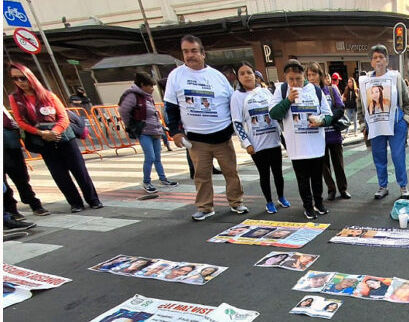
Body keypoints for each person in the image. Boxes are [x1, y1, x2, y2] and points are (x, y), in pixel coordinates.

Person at [164, 35, 247, 221]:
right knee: (201, 175)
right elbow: (170, 107)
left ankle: (236, 201)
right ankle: (205, 207)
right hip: (196, 138)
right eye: (185, 51)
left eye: (193, 51)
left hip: (221, 135)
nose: (189, 55)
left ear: (203, 53)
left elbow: (231, 103)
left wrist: (234, 129)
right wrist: (175, 131)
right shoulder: (176, 76)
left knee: (230, 172)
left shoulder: (217, 77)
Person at [9, 63, 103, 213]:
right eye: (15, 79)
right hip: (43, 140)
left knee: (80, 171)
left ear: (31, 78)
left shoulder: (48, 95)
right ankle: (75, 203)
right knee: (59, 175)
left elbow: (63, 117)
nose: (20, 82)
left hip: (64, 137)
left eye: (23, 78)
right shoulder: (15, 99)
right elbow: (20, 121)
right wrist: (42, 134)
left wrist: (55, 131)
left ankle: (93, 199)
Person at [269, 59, 333, 220]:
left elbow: (328, 114)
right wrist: (288, 100)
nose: (295, 82)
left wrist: (321, 121)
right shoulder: (282, 90)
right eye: (291, 79)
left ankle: (319, 203)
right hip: (297, 145)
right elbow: (274, 114)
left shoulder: (315, 90)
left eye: (298, 78)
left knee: (317, 178)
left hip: (316, 143)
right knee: (303, 179)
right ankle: (308, 206)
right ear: (285, 78)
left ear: (303, 75)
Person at [230, 62, 289, 214]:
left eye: (249, 72)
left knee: (278, 173)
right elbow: (237, 122)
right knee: (264, 174)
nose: (246, 76)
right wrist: (246, 143)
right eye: (242, 73)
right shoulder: (237, 97)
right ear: (238, 77)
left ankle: (281, 197)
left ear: (255, 75)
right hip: (257, 144)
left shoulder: (266, 92)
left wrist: (283, 137)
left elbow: (276, 114)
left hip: (273, 141)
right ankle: (269, 201)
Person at [358, 45, 409, 200]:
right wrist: (363, 125)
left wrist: (406, 120)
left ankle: (403, 186)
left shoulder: (395, 77)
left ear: (387, 60)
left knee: (398, 155)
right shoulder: (365, 81)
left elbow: (407, 100)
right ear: (371, 62)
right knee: (379, 156)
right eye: (375, 57)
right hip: (375, 124)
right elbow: (360, 104)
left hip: (396, 123)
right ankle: (383, 186)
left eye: (381, 57)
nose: (378, 60)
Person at [119, 72, 178, 193]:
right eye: (150, 86)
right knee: (150, 157)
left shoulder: (146, 96)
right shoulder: (133, 96)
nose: (152, 89)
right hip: (144, 131)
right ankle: (146, 181)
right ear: (142, 85)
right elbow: (123, 111)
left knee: (157, 157)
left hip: (155, 129)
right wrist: (132, 125)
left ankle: (163, 178)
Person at [307, 62, 350, 201]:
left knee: (339, 164)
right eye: (309, 75)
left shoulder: (330, 90)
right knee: (324, 166)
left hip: (334, 134)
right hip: (318, 136)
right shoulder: (307, 94)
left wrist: (327, 120)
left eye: (314, 74)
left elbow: (340, 107)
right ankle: (331, 189)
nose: (311, 78)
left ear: (320, 75)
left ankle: (343, 189)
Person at [4, 107, 48, 218]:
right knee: (3, 183)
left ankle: (34, 203)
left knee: (21, 176)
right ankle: (11, 209)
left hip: (10, 143)